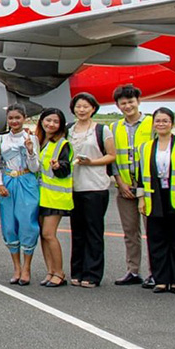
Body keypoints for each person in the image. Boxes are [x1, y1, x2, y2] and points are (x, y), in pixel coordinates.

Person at [138, 107, 175, 294]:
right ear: (153, 124)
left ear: (172, 123)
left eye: (165, 121)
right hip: (155, 197)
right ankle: (161, 279)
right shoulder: (145, 147)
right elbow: (141, 176)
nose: (161, 124)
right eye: (158, 121)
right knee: (157, 239)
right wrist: (141, 199)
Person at [67, 92, 116, 288]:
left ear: (93, 108)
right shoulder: (68, 129)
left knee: (93, 231)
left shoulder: (102, 130)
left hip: (95, 186)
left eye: (86, 106)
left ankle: (92, 273)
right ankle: (77, 271)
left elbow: (111, 155)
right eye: (78, 106)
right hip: (74, 186)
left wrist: (92, 162)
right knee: (77, 231)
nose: (82, 110)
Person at [110, 84, 154, 287]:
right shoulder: (115, 127)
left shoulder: (152, 123)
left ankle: (155, 271)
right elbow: (114, 159)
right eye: (123, 103)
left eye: (130, 102)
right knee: (130, 232)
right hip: (125, 186)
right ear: (118, 106)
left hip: (149, 187)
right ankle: (133, 270)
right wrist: (119, 182)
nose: (127, 106)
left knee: (153, 231)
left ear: (138, 101)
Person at [0, 103, 40, 286]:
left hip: (27, 182)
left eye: (17, 118)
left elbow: (35, 167)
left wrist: (30, 151)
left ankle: (27, 267)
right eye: (11, 118)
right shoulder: (1, 139)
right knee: (9, 226)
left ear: (24, 119)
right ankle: (16, 267)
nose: (14, 121)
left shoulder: (32, 138)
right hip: (7, 183)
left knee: (28, 224)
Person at [36, 108, 72, 288]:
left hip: (55, 196)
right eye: (48, 120)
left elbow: (66, 167)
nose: (51, 124)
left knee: (49, 234)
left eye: (55, 122)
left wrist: (58, 166)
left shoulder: (62, 144)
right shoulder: (42, 142)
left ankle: (59, 272)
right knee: (43, 235)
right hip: (42, 195)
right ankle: (50, 270)